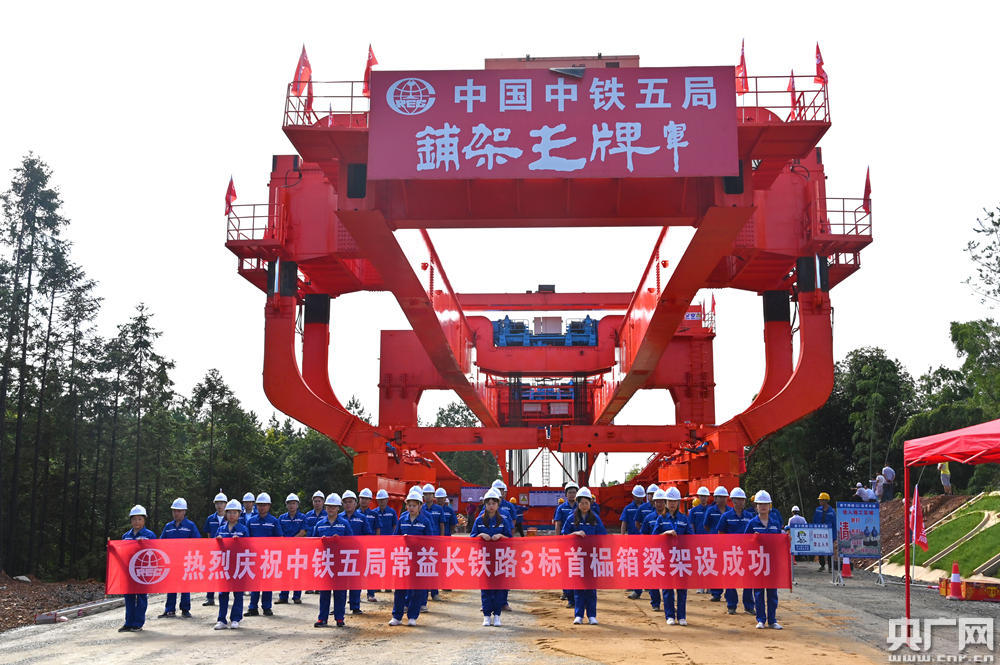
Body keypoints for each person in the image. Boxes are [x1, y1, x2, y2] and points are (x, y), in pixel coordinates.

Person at [561, 487, 606, 625]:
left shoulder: (595, 518)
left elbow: (603, 536)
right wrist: (575, 534)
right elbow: (564, 535)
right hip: (577, 557)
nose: (584, 505)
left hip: (592, 557)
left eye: (586, 503)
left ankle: (592, 615)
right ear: (578, 503)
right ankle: (579, 615)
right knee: (579, 587)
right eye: (582, 503)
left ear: (590, 503)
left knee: (591, 588)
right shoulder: (571, 518)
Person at [390, 488, 435, 626]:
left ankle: (412, 616)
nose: (411, 508)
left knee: (417, 589)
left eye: (414, 505)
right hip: (403, 559)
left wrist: (417, 542)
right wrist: (402, 540)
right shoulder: (402, 519)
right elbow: (395, 538)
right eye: (409, 505)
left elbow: (430, 541)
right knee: (400, 588)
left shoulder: (425, 521)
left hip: (419, 560)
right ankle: (397, 616)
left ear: (420, 506)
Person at [470, 488, 512, 626]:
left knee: (499, 587)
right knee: (486, 587)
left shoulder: (503, 520)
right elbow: (472, 538)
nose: (491, 506)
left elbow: (510, 538)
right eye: (489, 503)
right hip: (484, 558)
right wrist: (481, 535)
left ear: (498, 505)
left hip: (500, 558)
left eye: (494, 503)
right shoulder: (479, 520)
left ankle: (497, 615)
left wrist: (501, 536)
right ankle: (487, 615)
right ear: (485, 505)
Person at [650, 487, 691, 625]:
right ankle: (669, 616)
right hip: (666, 558)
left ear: (678, 502)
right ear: (666, 502)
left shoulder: (684, 519)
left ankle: (682, 616)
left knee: (681, 588)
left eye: (674, 501)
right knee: (667, 588)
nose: (672, 504)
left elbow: (692, 538)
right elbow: (654, 538)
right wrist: (665, 534)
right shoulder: (661, 519)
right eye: (670, 501)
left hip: (681, 558)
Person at [312, 492, 353, 627]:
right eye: (329, 506)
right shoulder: (319, 524)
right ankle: (322, 618)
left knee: (340, 592)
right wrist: (321, 542)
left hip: (340, 562)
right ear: (325, 507)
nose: (331, 509)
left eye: (334, 507)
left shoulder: (344, 524)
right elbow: (313, 542)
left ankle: (339, 618)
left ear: (338, 508)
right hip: (325, 562)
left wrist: (340, 540)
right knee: (324, 592)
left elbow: (351, 542)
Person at [745, 491, 783, 629]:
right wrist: (753, 539)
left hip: (772, 562)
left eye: (765, 504)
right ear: (756, 506)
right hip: (758, 562)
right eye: (760, 504)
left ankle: (772, 620)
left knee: (772, 592)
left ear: (769, 505)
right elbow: (744, 541)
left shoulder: (775, 523)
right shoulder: (752, 523)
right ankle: (761, 619)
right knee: (759, 592)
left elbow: (779, 541)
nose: (763, 506)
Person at [158, 497, 200, 618]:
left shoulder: (190, 526)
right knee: (171, 585)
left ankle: (185, 609)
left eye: (179, 511)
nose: (176, 513)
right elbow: (161, 542)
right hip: (171, 561)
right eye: (174, 511)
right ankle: (169, 609)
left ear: (184, 512)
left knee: (185, 585)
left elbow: (197, 542)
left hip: (185, 560)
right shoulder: (168, 526)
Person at [718, 487, 755, 616]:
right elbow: (721, 533)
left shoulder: (750, 516)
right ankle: (731, 605)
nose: (740, 502)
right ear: (733, 501)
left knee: (748, 580)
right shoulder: (726, 516)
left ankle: (749, 606)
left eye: (742, 499)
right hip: (731, 553)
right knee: (730, 579)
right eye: (738, 499)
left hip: (747, 553)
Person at [119, 505, 156, 632]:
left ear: (144, 520)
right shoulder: (126, 536)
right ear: (131, 520)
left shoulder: (149, 535)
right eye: (134, 519)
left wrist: (144, 545)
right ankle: (128, 622)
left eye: (140, 519)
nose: (137, 522)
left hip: (143, 571)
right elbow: (122, 553)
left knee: (141, 597)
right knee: (129, 597)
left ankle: (138, 623)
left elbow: (156, 552)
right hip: (129, 571)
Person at [214, 499, 250, 629]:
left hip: (239, 565)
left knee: (238, 593)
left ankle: (235, 618)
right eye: (229, 512)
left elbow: (248, 547)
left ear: (239, 514)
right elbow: (214, 547)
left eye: (235, 512)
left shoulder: (243, 529)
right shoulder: (221, 529)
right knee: (223, 593)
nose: (232, 515)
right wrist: (218, 541)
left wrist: (240, 542)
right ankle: (221, 620)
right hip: (224, 565)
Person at [246, 492, 282, 616]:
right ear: (256, 506)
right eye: (260, 505)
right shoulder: (251, 521)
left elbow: (279, 539)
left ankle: (267, 607)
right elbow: (246, 538)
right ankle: (252, 608)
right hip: (254, 557)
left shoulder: (274, 521)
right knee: (254, 583)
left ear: (269, 506)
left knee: (267, 583)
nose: (262, 507)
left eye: (264, 505)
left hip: (268, 557)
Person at [341, 490, 372, 614]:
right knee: (340, 582)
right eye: (346, 502)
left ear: (355, 503)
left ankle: (355, 606)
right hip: (341, 555)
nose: (348, 504)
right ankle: (339, 606)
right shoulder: (338, 518)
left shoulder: (362, 518)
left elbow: (368, 535)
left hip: (357, 554)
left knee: (355, 580)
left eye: (350, 502)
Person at [277, 493, 308, 605]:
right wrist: (285, 542)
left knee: (297, 572)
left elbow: (303, 532)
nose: (291, 505)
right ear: (286, 505)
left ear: (297, 505)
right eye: (289, 503)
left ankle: (296, 596)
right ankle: (283, 596)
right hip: (284, 549)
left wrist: (291, 541)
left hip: (297, 549)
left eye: (294, 503)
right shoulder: (281, 518)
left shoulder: (302, 517)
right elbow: (279, 532)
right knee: (285, 573)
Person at [700, 486, 729, 603]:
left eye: (724, 497)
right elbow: (706, 526)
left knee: (727, 568)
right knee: (715, 568)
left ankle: (729, 593)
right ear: (715, 498)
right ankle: (716, 593)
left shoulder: (730, 511)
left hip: (727, 544)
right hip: (714, 543)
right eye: (719, 497)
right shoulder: (711, 511)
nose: (722, 499)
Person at [553, 481, 578, 607]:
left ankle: (578, 593)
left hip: (579, 544)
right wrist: (558, 539)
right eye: (570, 492)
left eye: (574, 492)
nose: (572, 494)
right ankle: (566, 592)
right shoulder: (561, 508)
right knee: (566, 567)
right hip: (566, 541)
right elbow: (558, 524)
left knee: (578, 567)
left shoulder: (582, 506)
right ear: (566, 494)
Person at [201, 491, 228, 607]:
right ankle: (210, 597)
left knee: (226, 575)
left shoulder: (231, 518)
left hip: (227, 550)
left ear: (226, 504)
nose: (219, 505)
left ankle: (225, 598)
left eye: (222, 503)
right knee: (212, 574)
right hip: (214, 550)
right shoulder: (210, 518)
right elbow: (208, 534)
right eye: (217, 503)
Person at [621, 485, 646, 600]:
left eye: (641, 497)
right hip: (632, 539)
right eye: (637, 496)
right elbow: (624, 523)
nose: (639, 499)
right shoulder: (628, 508)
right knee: (633, 563)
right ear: (633, 496)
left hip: (645, 539)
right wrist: (622, 537)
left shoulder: (647, 507)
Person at [358, 488, 380, 602]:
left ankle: (371, 593)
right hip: (357, 547)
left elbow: (377, 529)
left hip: (370, 546)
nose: (364, 501)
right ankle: (356, 596)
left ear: (370, 501)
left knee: (371, 570)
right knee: (357, 570)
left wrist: (375, 543)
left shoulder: (374, 514)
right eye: (362, 498)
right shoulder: (355, 514)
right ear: (359, 499)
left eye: (366, 499)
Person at [813, 492, 836, 572]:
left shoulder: (831, 511)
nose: (820, 501)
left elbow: (834, 524)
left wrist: (834, 536)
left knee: (829, 550)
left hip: (829, 534)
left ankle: (830, 567)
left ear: (825, 501)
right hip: (819, 533)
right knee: (820, 549)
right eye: (819, 500)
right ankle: (822, 565)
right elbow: (814, 521)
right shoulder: (817, 510)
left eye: (821, 500)